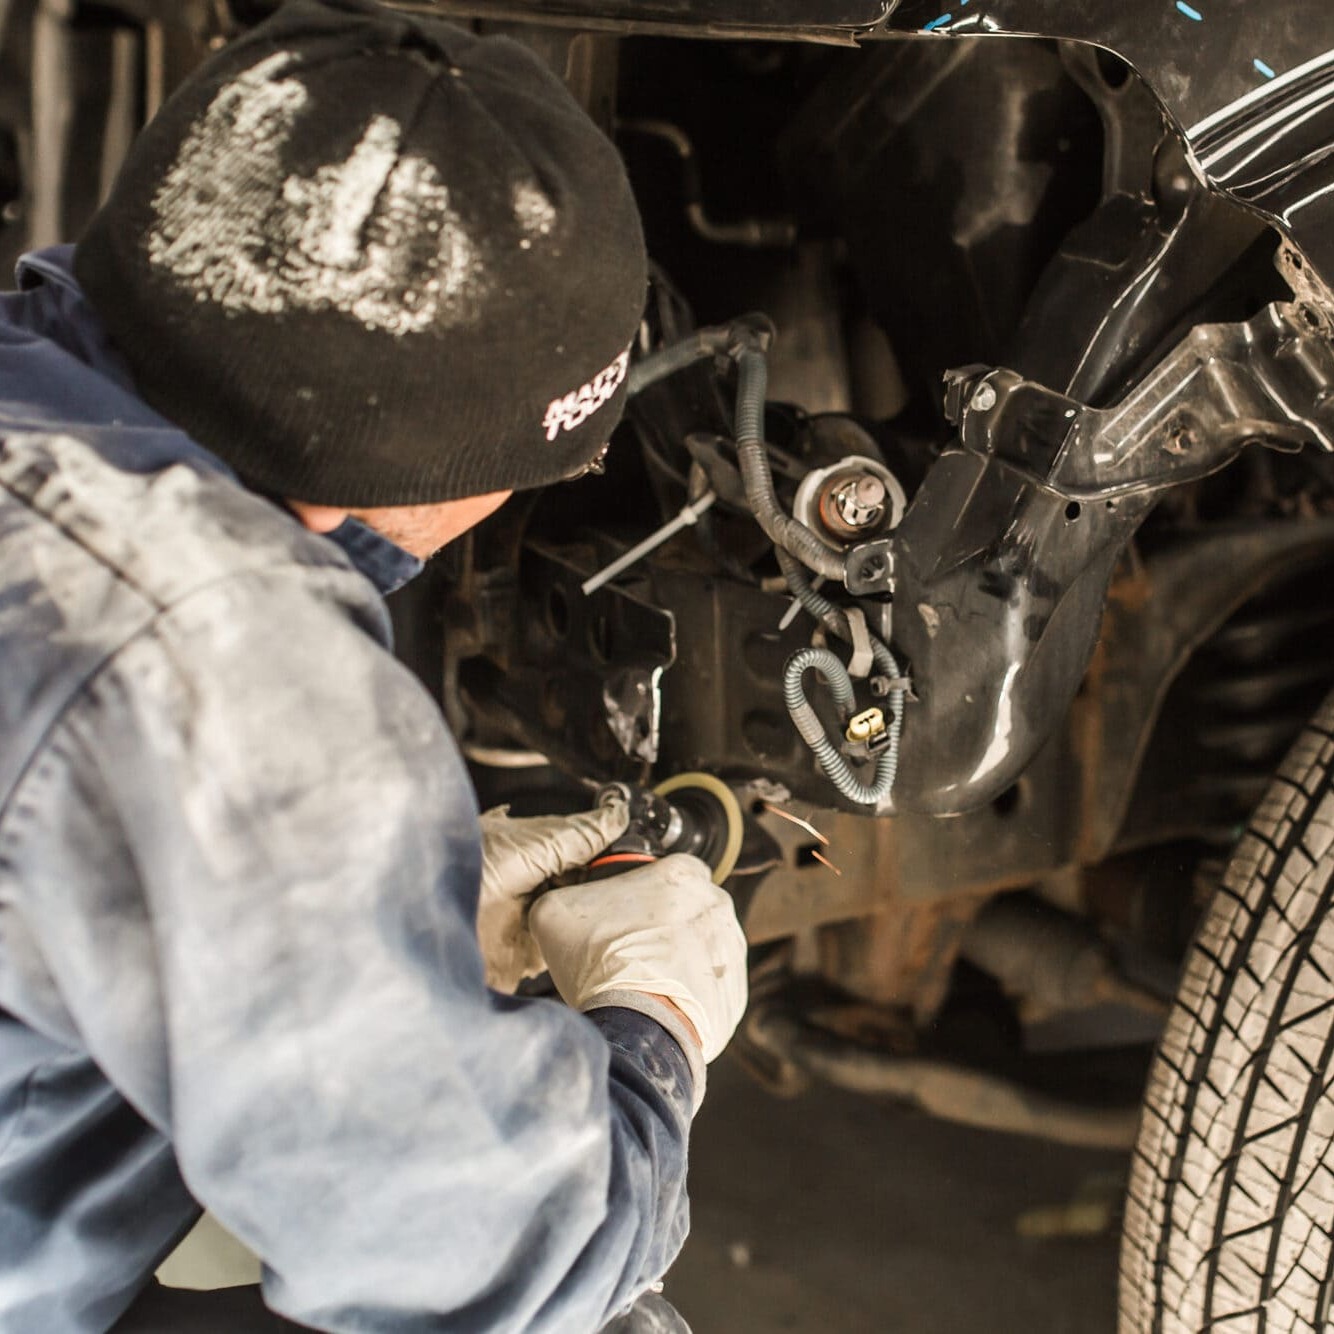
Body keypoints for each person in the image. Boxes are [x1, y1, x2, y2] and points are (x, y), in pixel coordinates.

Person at [0, 2, 749, 1330]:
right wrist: (652, 1027)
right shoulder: (211, 652)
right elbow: (482, 1241)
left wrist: (366, 928)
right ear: (432, 470)